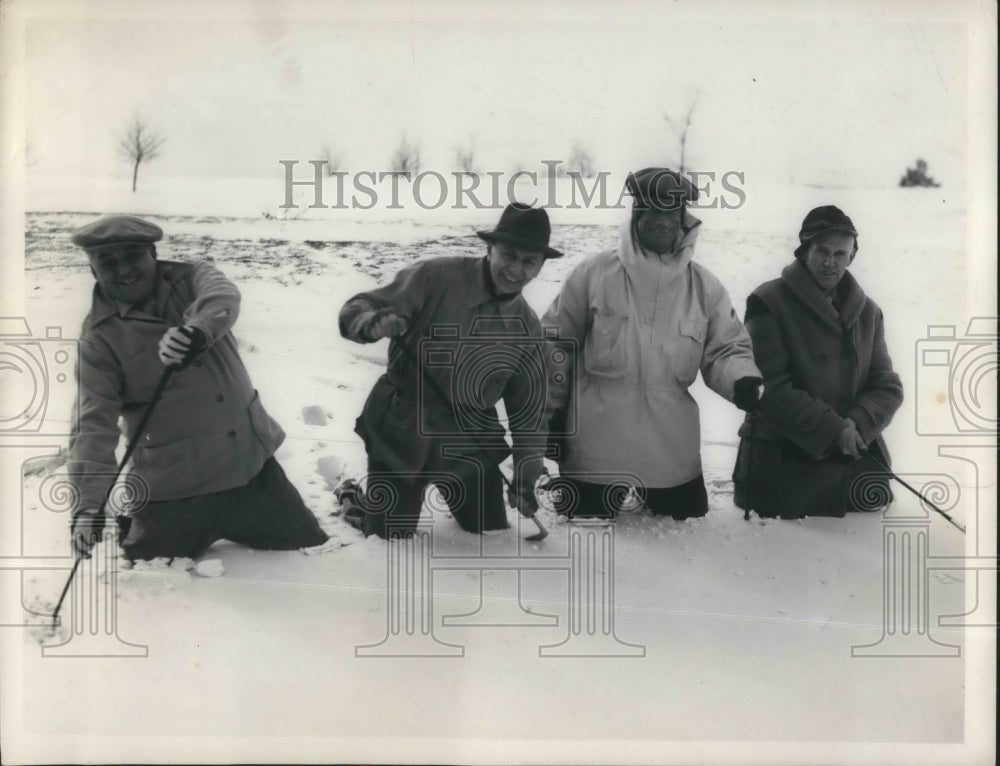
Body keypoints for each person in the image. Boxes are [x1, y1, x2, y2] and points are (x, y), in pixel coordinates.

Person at [68, 215, 328, 560]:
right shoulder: (98, 340)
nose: (124, 269)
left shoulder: (193, 278)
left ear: (152, 254)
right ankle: (137, 523)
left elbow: (223, 296)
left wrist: (199, 331)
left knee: (307, 545)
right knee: (152, 563)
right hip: (176, 491)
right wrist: (88, 506)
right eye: (108, 262)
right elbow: (93, 424)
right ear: (93, 270)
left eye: (132, 256)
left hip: (252, 471)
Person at [542, 167, 763, 520]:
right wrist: (549, 418)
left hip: (671, 453)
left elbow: (725, 348)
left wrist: (741, 380)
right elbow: (554, 346)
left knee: (689, 516)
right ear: (637, 215)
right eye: (653, 211)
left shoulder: (705, 287)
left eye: (671, 212)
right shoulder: (592, 274)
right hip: (595, 449)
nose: (662, 221)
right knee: (582, 516)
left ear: (683, 219)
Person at [338, 203, 560, 538]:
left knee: (490, 529)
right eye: (509, 255)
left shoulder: (528, 329)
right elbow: (357, 308)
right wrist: (370, 324)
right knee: (389, 536)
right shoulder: (435, 276)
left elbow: (530, 411)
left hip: (469, 441)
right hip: (402, 430)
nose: (516, 269)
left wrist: (526, 478)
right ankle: (353, 498)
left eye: (529, 261)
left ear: (540, 266)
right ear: (490, 248)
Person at [732, 205, 904, 518]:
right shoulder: (768, 301)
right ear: (804, 251)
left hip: (854, 474)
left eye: (840, 254)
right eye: (822, 251)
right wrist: (832, 429)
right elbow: (768, 387)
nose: (830, 262)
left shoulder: (869, 312)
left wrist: (856, 423)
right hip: (783, 473)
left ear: (851, 256)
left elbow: (886, 385)